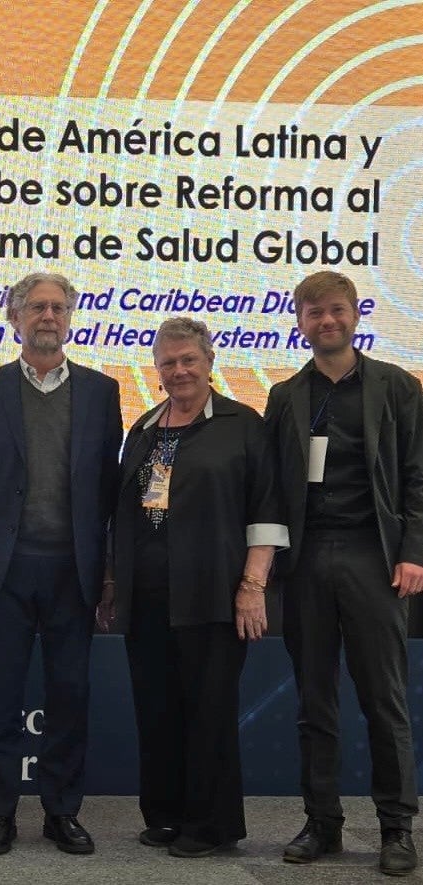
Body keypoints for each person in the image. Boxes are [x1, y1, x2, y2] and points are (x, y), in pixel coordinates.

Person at [0, 271, 122, 856]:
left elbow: (109, 487)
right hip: (6, 570)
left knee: (69, 695)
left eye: (57, 307)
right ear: (15, 319)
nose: (47, 317)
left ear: (70, 317)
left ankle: (61, 812)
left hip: (72, 572)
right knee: (1, 698)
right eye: (35, 308)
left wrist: (104, 567)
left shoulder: (103, 392)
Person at [264, 271, 423, 877]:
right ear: (299, 321)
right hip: (305, 563)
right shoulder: (286, 396)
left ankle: (396, 827)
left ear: (356, 315)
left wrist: (414, 550)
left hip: (375, 558)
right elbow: (275, 489)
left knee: (383, 700)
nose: (325, 321)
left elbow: (417, 475)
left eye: (336, 311)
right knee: (314, 700)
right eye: (313, 313)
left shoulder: (397, 387)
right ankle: (322, 822)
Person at [110, 316, 286, 858]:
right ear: (157, 371)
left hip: (213, 593)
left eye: (189, 360)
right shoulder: (144, 427)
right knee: (156, 708)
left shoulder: (241, 424)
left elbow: (267, 512)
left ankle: (209, 825)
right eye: (168, 362)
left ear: (210, 363)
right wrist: (113, 585)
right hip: (148, 596)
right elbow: (124, 513)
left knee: (207, 710)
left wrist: (253, 586)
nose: (179, 370)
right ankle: (164, 814)